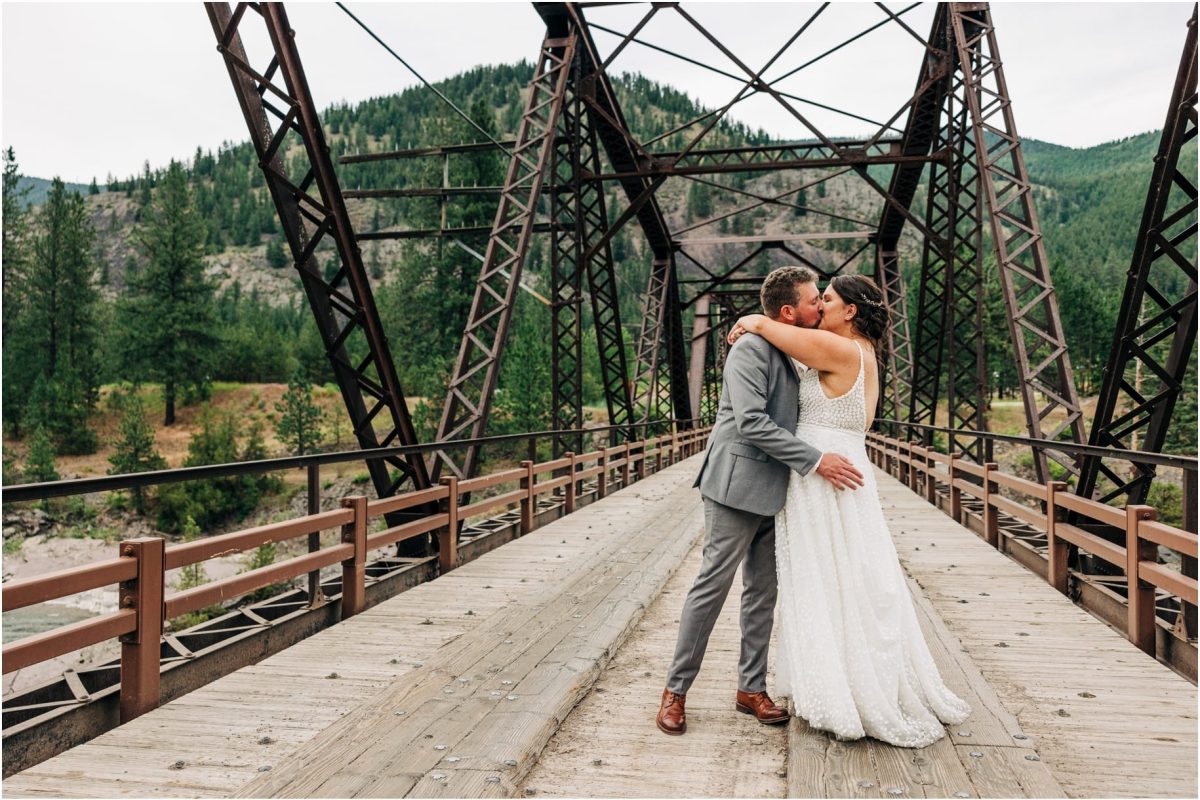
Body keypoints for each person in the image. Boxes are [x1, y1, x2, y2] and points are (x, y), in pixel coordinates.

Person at [729, 274, 971, 748]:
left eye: (829, 299)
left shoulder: (842, 350)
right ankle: (842, 679)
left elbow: (773, 327)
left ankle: (846, 689)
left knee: (826, 579)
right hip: (835, 473)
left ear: (851, 311)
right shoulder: (854, 350)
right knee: (846, 580)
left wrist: (751, 318)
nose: (821, 305)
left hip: (827, 477)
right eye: (818, 299)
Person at [656, 266, 865, 736]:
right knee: (712, 586)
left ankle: (750, 689)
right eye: (815, 300)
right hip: (735, 485)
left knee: (762, 593)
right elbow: (751, 422)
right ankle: (675, 691)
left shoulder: (795, 347)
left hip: (779, 489)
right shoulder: (750, 349)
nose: (821, 306)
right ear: (790, 310)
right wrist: (816, 461)